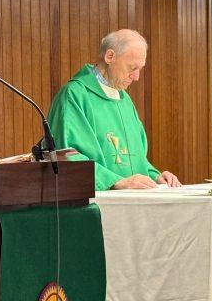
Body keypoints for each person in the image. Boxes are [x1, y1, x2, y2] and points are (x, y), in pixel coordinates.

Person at [47, 29, 180, 191]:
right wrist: (114, 181)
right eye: (132, 68)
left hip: (135, 204)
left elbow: (134, 159)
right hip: (97, 204)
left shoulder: (124, 100)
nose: (137, 76)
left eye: (140, 68)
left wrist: (155, 176)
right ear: (110, 57)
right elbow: (66, 155)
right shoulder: (75, 95)